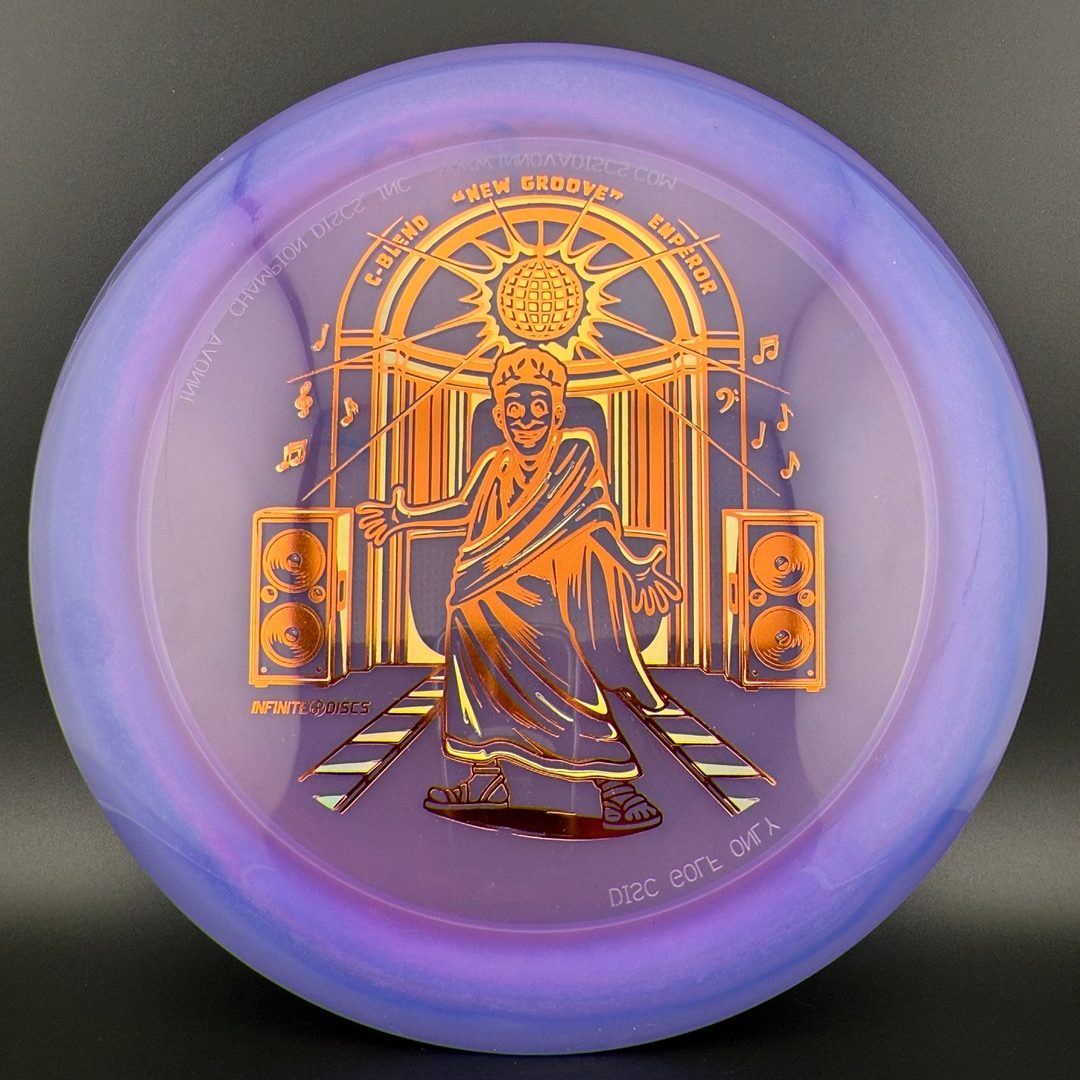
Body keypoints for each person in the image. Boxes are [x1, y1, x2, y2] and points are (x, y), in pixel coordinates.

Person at [356, 348, 681, 830]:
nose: (526, 419)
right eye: (514, 408)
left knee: (567, 687)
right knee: (474, 693)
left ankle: (614, 784)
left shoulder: (576, 453)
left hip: (541, 600)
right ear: (500, 415)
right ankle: (485, 778)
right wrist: (405, 518)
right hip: (476, 597)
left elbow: (596, 518)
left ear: (558, 413)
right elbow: (464, 509)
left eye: (537, 407)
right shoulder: (494, 462)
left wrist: (634, 567)